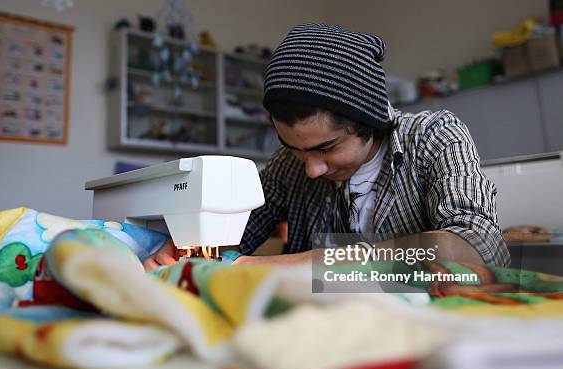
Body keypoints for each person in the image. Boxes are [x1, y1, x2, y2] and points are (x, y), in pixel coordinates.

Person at [145, 23, 510, 269]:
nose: (311, 169)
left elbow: (479, 247)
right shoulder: (290, 164)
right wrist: (190, 250)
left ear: (369, 121)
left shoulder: (435, 138)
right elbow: (234, 233)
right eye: (294, 148)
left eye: (327, 148)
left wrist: (287, 266)